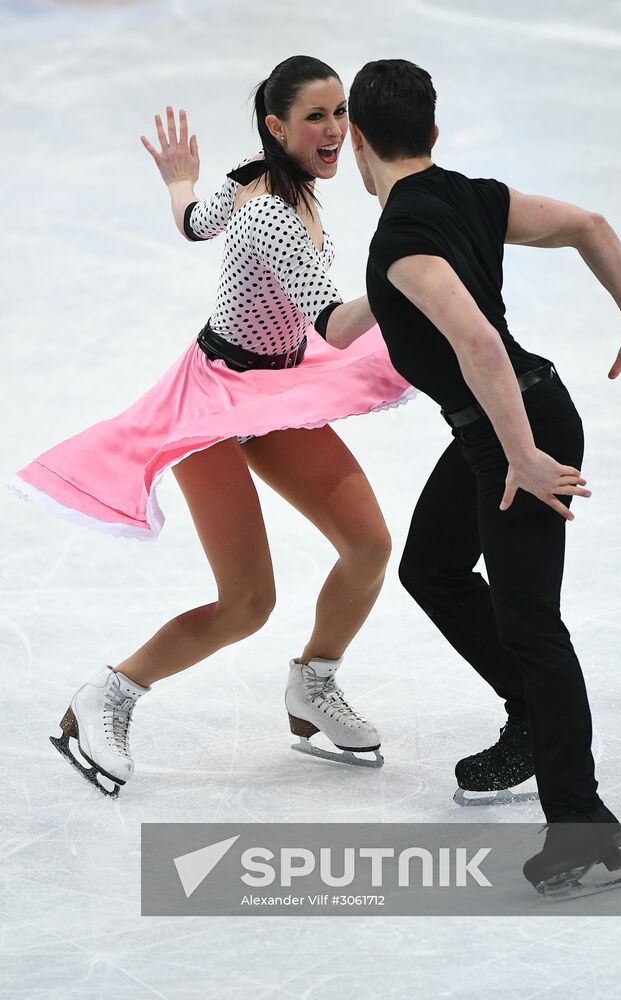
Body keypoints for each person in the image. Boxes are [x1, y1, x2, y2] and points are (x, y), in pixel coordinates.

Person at [8, 55, 413, 796]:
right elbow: (336, 323)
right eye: (314, 117)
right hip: (215, 401)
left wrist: (179, 184)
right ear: (275, 127)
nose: (333, 131)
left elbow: (196, 224)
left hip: (276, 387)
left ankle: (312, 684)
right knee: (247, 603)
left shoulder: (252, 175)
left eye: (338, 113)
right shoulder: (268, 209)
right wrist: (406, 275)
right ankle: (109, 694)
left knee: (367, 544)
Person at [336, 58, 621, 897]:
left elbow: (478, 344)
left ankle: (582, 828)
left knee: (530, 620)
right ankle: (529, 718)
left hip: (514, 434)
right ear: (429, 133)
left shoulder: (402, 239)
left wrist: (522, 454)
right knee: (430, 567)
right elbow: (589, 224)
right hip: (500, 429)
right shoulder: (462, 197)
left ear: (356, 141)